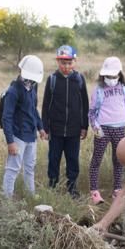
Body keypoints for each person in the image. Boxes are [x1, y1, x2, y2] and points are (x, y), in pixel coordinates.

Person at [41, 45, 89, 198]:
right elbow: (46, 105)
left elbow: (85, 104)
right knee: (53, 159)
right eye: (63, 63)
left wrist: (84, 126)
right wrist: (45, 127)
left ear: (74, 62)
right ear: (58, 62)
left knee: (73, 160)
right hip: (55, 130)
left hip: (74, 130)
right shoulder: (52, 80)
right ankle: (53, 186)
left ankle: (72, 188)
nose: (66, 66)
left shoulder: (79, 79)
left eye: (69, 63)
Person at [88, 56, 125, 204]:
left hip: (120, 128)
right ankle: (94, 191)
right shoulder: (99, 90)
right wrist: (95, 127)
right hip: (103, 129)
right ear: (103, 75)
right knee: (97, 159)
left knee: (119, 160)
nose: (111, 79)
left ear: (119, 74)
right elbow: (92, 111)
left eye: (113, 76)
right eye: (107, 76)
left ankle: (117, 189)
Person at [2, 55, 46, 197]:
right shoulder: (13, 92)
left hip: (31, 135)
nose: (31, 80)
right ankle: (6, 200)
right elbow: (6, 118)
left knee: (29, 168)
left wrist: (41, 127)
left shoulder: (33, 86)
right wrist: (11, 142)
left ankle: (30, 195)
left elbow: (33, 109)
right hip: (18, 137)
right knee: (13, 169)